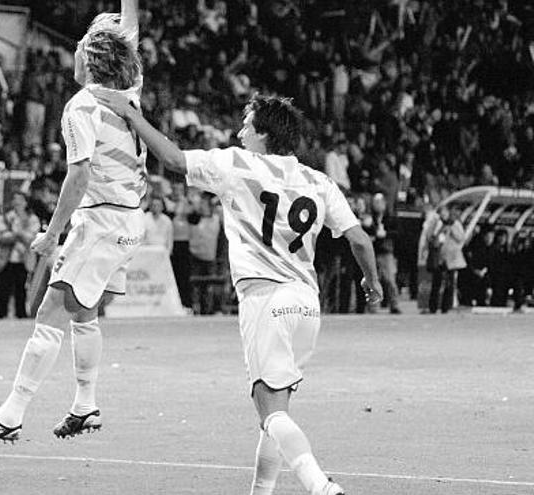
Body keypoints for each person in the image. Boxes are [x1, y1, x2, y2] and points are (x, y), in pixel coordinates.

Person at [95, 92, 382, 495]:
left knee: (269, 410)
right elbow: (361, 241)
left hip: (266, 300)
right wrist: (372, 281)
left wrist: (131, 116)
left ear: (264, 133)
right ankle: (260, 492)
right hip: (307, 306)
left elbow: (175, 161)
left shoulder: (235, 162)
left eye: (247, 125)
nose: (240, 131)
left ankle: (319, 485)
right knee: (277, 409)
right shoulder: (321, 181)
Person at [0, 0, 144, 442]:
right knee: (85, 312)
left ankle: (10, 415)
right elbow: (131, 37)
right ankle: (85, 406)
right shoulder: (128, 93)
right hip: (129, 221)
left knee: (52, 310)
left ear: (90, 58)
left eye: (80, 48)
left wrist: (52, 234)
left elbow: (78, 176)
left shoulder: (81, 107)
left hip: (100, 220)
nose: (74, 55)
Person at [0, 192, 40, 319]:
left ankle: (21, 312)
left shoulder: (32, 218)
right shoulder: (4, 217)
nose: (18, 203)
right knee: (4, 287)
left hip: (24, 259)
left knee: (21, 287)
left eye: (21, 200)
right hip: (7, 258)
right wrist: (19, 235)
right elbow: (1, 236)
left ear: (26, 202)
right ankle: (2, 313)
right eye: (15, 200)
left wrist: (16, 233)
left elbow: (32, 238)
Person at [428, 206, 466, 313]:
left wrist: (452, 228)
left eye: (444, 214)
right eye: (441, 214)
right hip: (439, 257)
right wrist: (439, 230)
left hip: (451, 257)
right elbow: (431, 237)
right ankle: (433, 306)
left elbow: (461, 238)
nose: (443, 216)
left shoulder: (455, 224)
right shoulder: (437, 224)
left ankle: (446, 307)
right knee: (437, 282)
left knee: (450, 283)